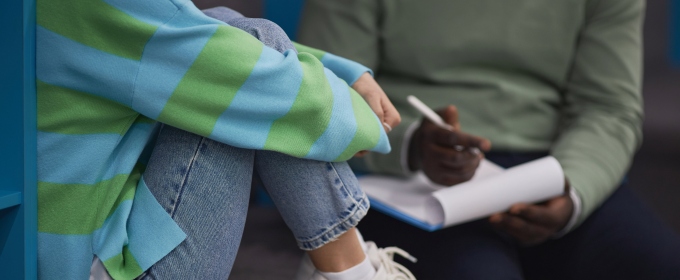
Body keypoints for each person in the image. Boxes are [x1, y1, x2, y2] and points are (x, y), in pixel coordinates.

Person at [299, 0, 680, 279]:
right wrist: (409, 145)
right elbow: (325, 95)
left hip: (556, 168)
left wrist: (573, 190)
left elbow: (608, 107)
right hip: (404, 180)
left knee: (661, 264)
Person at [37, 1, 412, 279]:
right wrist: (363, 123)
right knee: (251, 75)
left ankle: (350, 269)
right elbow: (257, 75)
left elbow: (197, 32)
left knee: (235, 34)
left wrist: (346, 74)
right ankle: (351, 270)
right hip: (85, 266)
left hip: (78, 235)